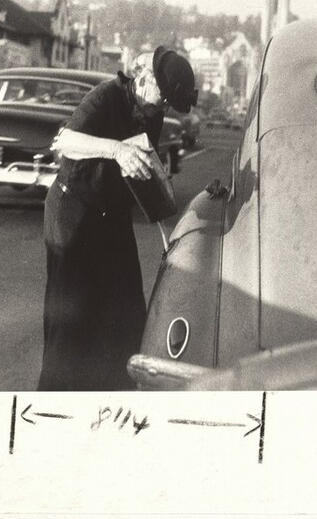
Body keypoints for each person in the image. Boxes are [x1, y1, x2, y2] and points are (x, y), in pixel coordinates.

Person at [37, 46, 198, 391]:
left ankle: (118, 400)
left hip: (112, 216)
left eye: (170, 103)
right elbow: (64, 141)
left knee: (126, 316)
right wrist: (115, 149)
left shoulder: (151, 111)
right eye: (163, 96)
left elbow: (140, 170)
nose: (163, 106)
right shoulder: (106, 96)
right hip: (74, 213)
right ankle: (54, 400)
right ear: (143, 77)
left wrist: (169, 226)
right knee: (72, 321)